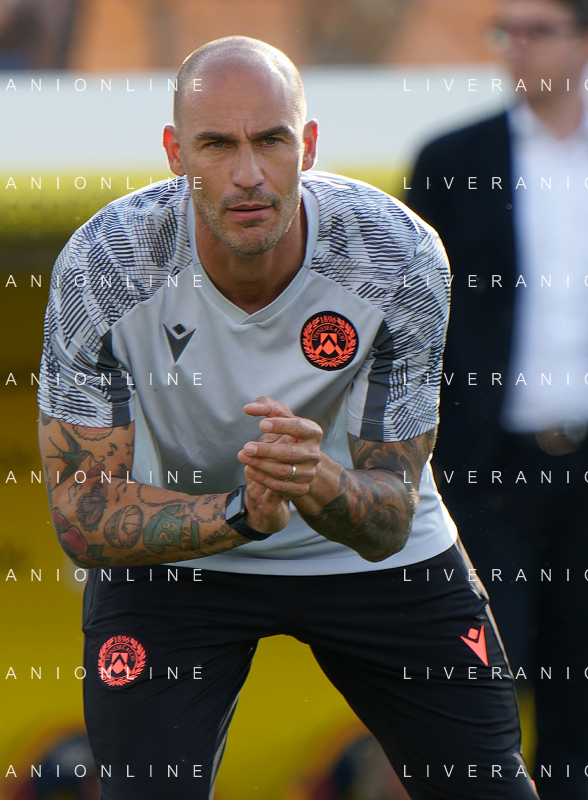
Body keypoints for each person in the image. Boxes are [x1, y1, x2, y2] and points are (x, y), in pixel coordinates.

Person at [36, 36, 540, 800]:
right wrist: (243, 511)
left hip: (363, 554)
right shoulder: (105, 264)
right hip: (179, 551)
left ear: (306, 146)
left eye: (270, 141)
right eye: (216, 145)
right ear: (175, 154)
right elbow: (82, 516)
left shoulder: (396, 254)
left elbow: (388, 518)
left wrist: (316, 482)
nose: (248, 174)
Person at [405, 0, 588, 796]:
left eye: (539, 30)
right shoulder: (451, 159)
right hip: (488, 470)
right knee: (482, 686)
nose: (518, 47)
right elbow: (410, 318)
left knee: (579, 695)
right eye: (507, 31)